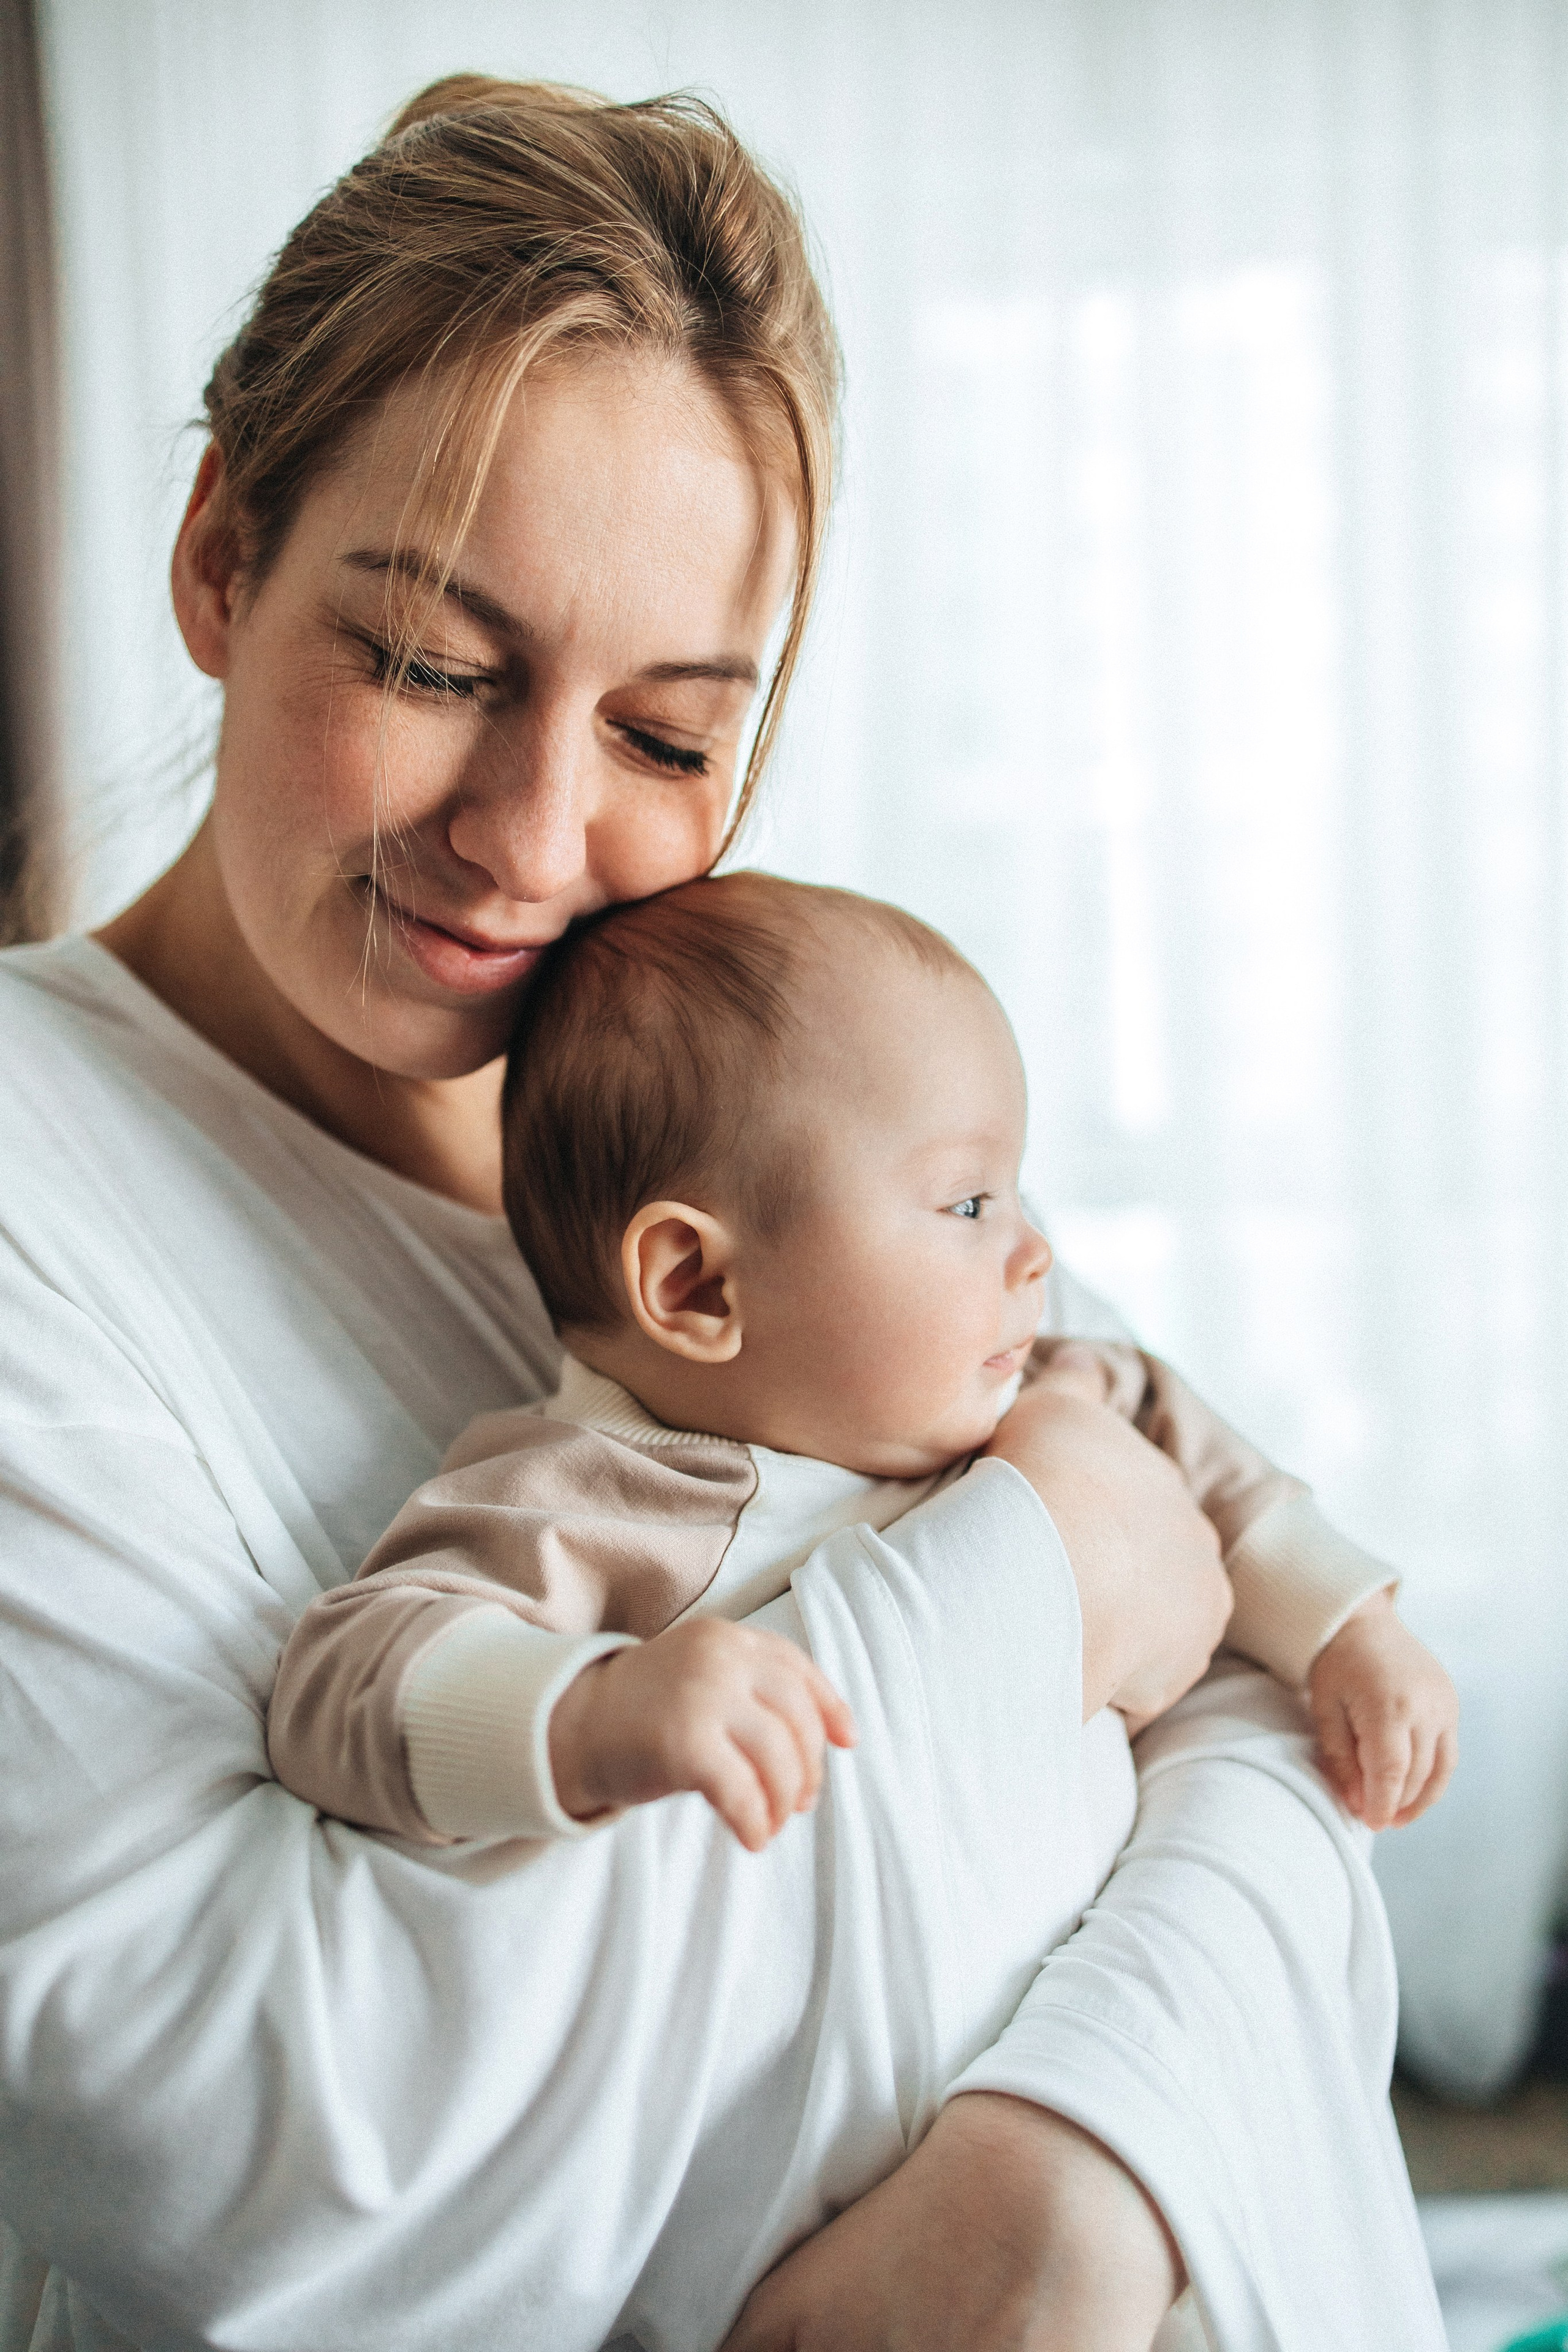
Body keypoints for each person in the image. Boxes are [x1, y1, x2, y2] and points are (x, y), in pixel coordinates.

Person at [0, 71, 1447, 2352]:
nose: (530, 836)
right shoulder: (41, 1177)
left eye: (668, 736)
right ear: (218, 559)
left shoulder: (756, 1108)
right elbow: (240, 2143)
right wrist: (1039, 1592)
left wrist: (1081, 2174)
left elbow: (1265, 1723)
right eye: (432, 666)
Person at [266, 870, 1457, 1858]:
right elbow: (337, 1691)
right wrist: (589, 1714)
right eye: (969, 1203)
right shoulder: (596, 1504)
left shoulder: (1034, 1388)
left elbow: (1190, 1445)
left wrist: (1346, 1627)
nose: (1034, 1251)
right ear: (697, 1287)